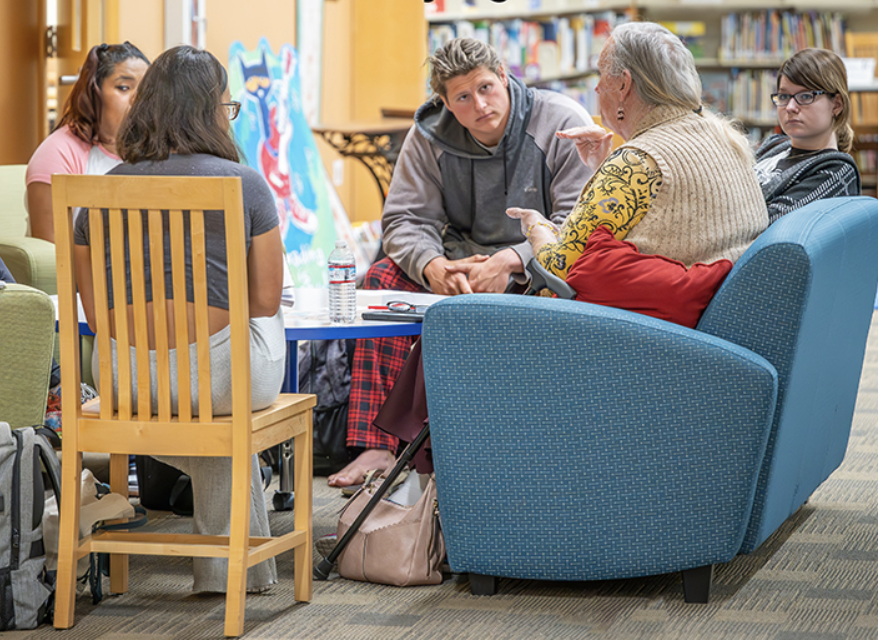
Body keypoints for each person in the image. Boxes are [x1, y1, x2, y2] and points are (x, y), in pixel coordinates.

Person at [327, 37, 595, 487]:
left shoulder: (561, 121)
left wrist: (512, 260)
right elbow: (405, 219)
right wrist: (431, 265)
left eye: (487, 87)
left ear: (505, 78)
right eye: (463, 97)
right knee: (379, 278)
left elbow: (579, 224)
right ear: (446, 103)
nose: (480, 104)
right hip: (455, 268)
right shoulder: (429, 136)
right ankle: (376, 445)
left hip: (538, 267)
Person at [72, 45, 285, 594]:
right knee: (265, 325)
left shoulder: (96, 192)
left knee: (212, 437)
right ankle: (236, 571)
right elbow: (264, 299)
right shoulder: (245, 183)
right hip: (219, 381)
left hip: (125, 381)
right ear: (212, 110)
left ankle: (231, 573)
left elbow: (95, 315)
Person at [507, 21, 768, 282]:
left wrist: (535, 225)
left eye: (601, 74)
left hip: (648, 318)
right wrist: (603, 170)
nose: (596, 88)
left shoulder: (635, 163)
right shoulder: (723, 134)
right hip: (717, 304)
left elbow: (557, 269)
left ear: (623, 85)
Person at [26, 41, 149, 243]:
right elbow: (52, 252)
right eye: (124, 87)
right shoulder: (58, 151)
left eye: (145, 91)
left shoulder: (157, 149)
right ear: (94, 92)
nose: (137, 99)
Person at [756, 48, 861, 225]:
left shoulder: (836, 171)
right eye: (783, 96)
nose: (790, 107)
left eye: (805, 96)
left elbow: (765, 225)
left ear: (836, 104)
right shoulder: (774, 145)